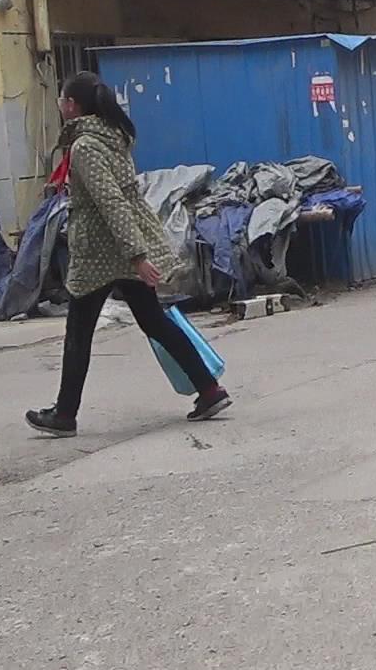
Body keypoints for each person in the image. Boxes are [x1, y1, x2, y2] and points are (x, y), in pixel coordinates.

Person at [26, 72, 229, 435]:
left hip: (101, 251)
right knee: (154, 322)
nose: (60, 106)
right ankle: (209, 389)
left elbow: (110, 201)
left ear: (72, 106)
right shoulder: (114, 135)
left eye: (61, 100)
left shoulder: (86, 146)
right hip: (123, 243)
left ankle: (64, 415)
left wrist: (136, 255)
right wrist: (136, 252)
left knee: (79, 331)